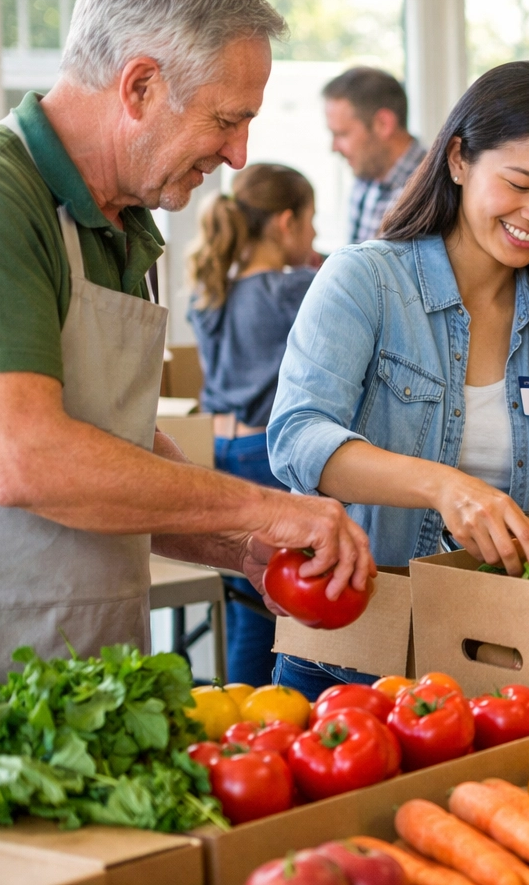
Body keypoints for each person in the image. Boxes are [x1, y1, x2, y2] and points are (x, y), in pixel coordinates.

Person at [0, 0, 373, 683]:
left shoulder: (122, 221)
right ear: (141, 86)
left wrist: (238, 545)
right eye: (226, 120)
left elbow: (110, 444)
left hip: (84, 661)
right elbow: (22, 456)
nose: (238, 154)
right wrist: (259, 506)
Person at [269, 60, 529, 699]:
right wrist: (446, 488)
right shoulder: (366, 281)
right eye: (519, 183)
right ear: (461, 159)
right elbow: (297, 440)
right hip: (353, 656)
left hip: (503, 663)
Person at [187, 163, 320, 685]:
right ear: (285, 223)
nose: (313, 236)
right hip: (262, 452)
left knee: (244, 596)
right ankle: (261, 706)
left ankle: (242, 702)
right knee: (269, 605)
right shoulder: (293, 290)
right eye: (309, 223)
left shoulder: (213, 286)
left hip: (218, 448)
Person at [324, 66, 426, 244]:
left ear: (383, 124)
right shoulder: (366, 175)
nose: (334, 148)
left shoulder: (430, 187)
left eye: (342, 134)